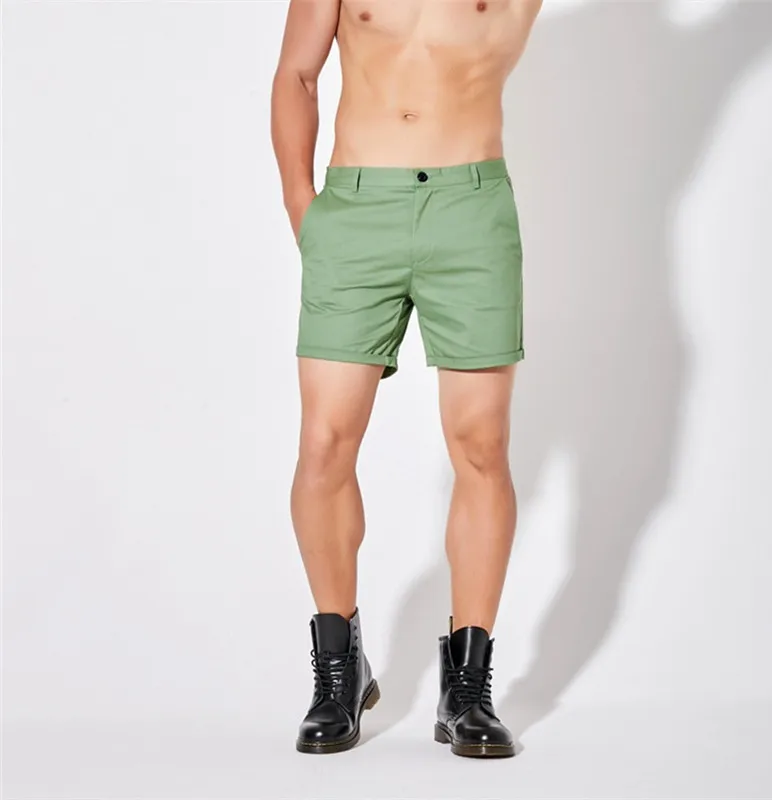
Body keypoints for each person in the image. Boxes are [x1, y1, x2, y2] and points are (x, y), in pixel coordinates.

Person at [271, 0, 542, 758]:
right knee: (325, 444)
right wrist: (303, 207)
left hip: (471, 211)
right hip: (357, 209)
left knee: (481, 444)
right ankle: (339, 670)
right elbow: (297, 74)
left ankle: (468, 687)